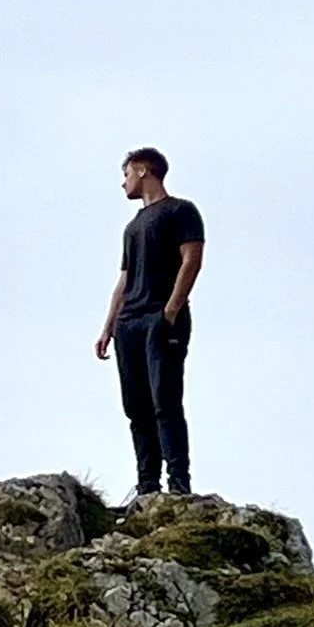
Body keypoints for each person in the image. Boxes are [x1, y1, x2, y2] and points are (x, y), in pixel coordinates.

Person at [95, 148, 205, 497]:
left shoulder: (180, 211)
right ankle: (147, 485)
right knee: (136, 407)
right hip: (129, 324)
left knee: (165, 400)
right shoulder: (132, 227)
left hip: (161, 318)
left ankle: (178, 483)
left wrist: (170, 312)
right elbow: (124, 279)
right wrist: (108, 326)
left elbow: (192, 259)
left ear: (143, 170)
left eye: (126, 173)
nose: (123, 182)